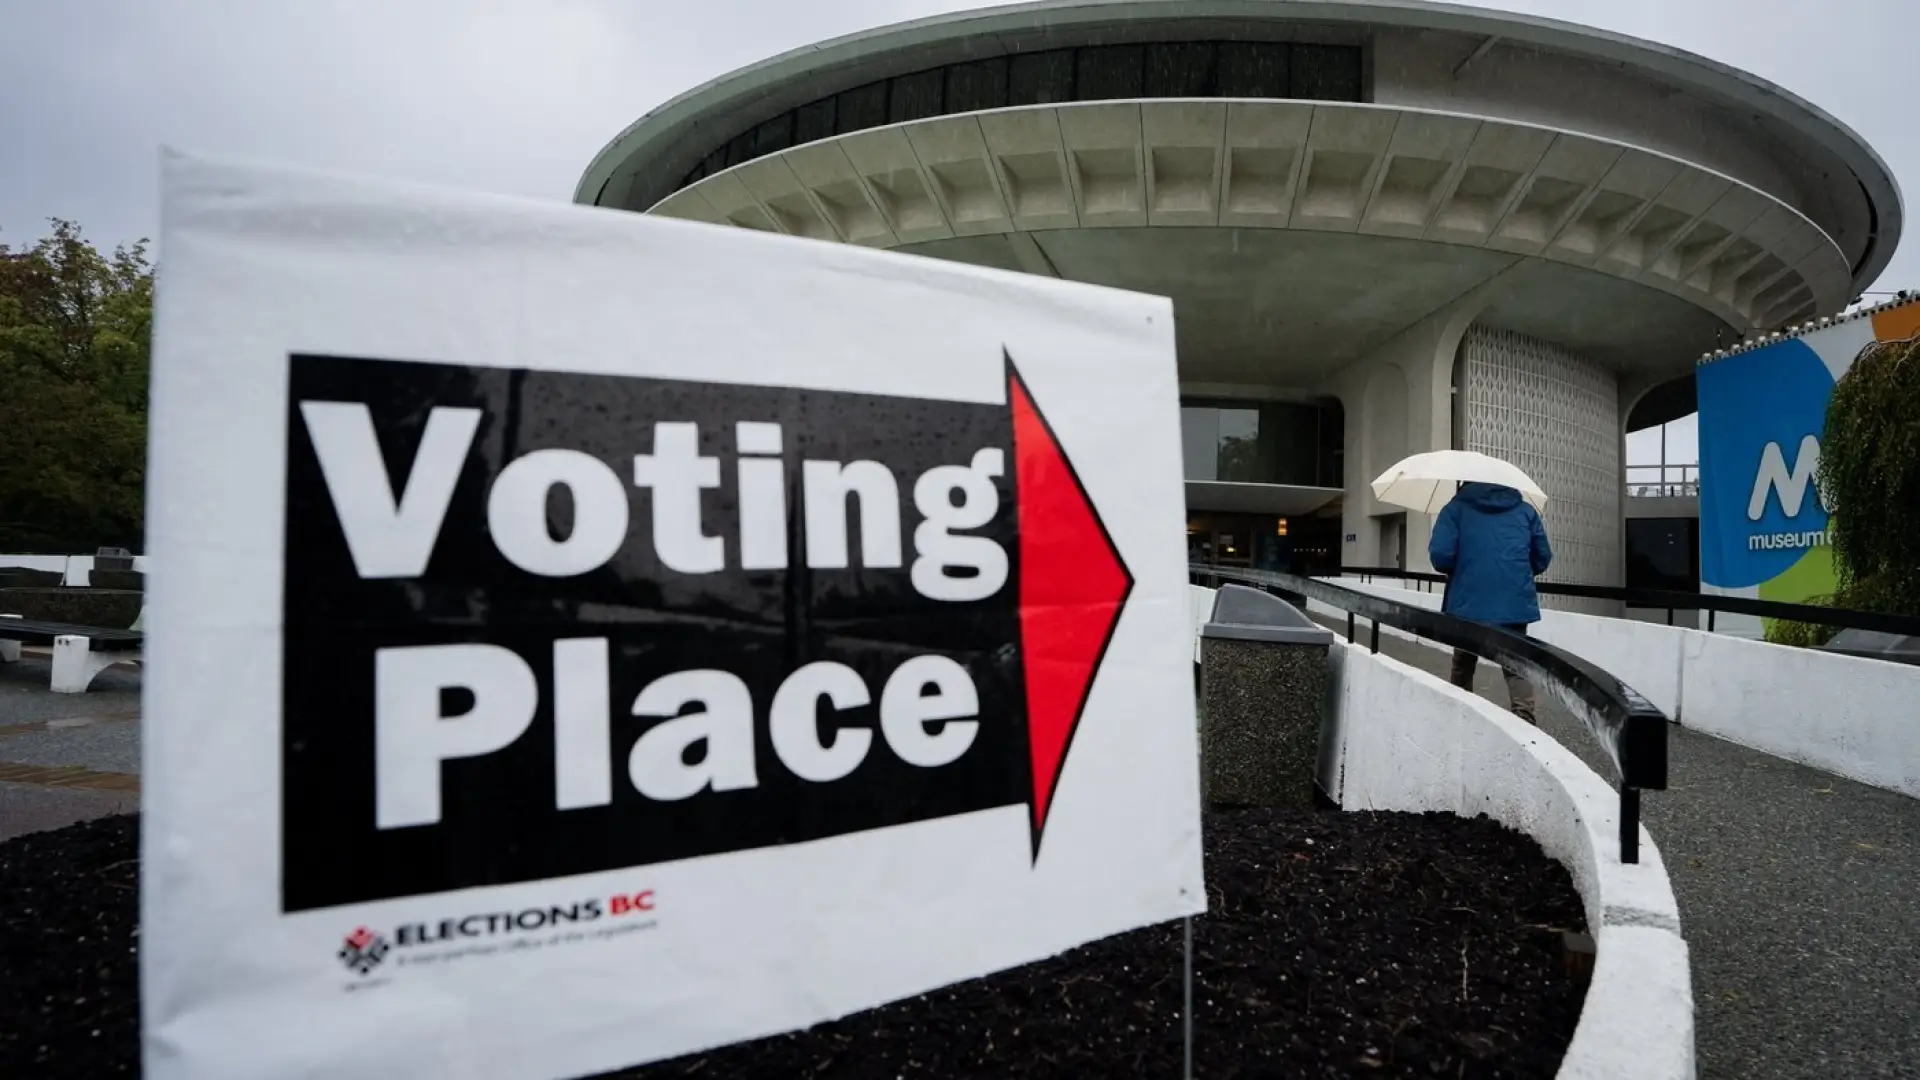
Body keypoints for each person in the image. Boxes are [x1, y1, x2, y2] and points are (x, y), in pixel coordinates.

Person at [1427, 481, 1553, 723]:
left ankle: (1460, 713)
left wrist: (1462, 569)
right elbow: (1543, 557)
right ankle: (1525, 721)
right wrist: (1517, 574)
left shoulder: (1454, 509)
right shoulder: (1525, 511)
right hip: (1514, 602)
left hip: (1467, 601)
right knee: (1516, 665)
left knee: (1464, 661)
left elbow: (1441, 557)